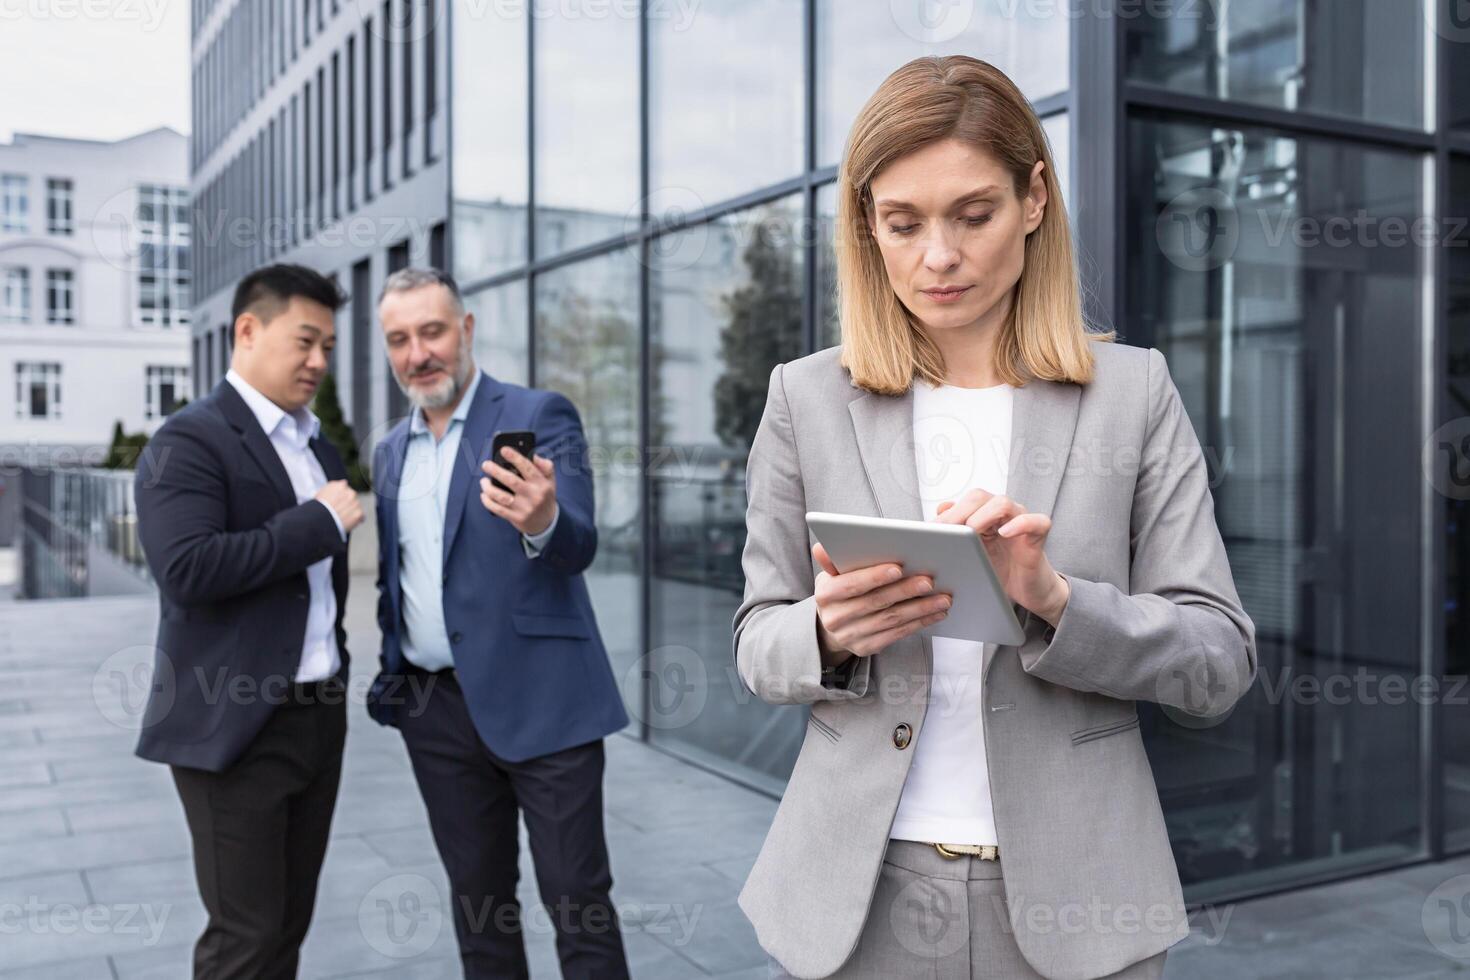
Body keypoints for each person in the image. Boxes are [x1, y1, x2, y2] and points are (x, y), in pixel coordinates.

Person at [733, 56, 1257, 980]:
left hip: (1081, 896)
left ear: (1035, 198)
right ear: (867, 227)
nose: (939, 255)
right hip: (856, 899)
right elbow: (756, 643)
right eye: (903, 223)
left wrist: (1056, 601)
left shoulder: (1132, 395)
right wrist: (825, 633)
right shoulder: (805, 398)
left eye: (972, 215)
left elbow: (1219, 662)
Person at [365, 267, 631, 979]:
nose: (418, 353)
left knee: (579, 905)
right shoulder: (390, 452)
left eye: (432, 331)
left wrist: (543, 518)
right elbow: (404, 573)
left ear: (467, 330)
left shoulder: (541, 415)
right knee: (479, 906)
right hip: (438, 715)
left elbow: (579, 545)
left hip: (546, 705)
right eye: (399, 339)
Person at [134, 263, 363, 978]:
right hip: (235, 729)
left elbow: (316, 592)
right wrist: (317, 523)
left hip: (316, 720)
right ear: (247, 331)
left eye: (327, 345)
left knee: (287, 927)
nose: (320, 361)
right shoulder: (189, 441)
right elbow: (188, 570)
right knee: (245, 939)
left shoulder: (314, 444)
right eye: (305, 342)